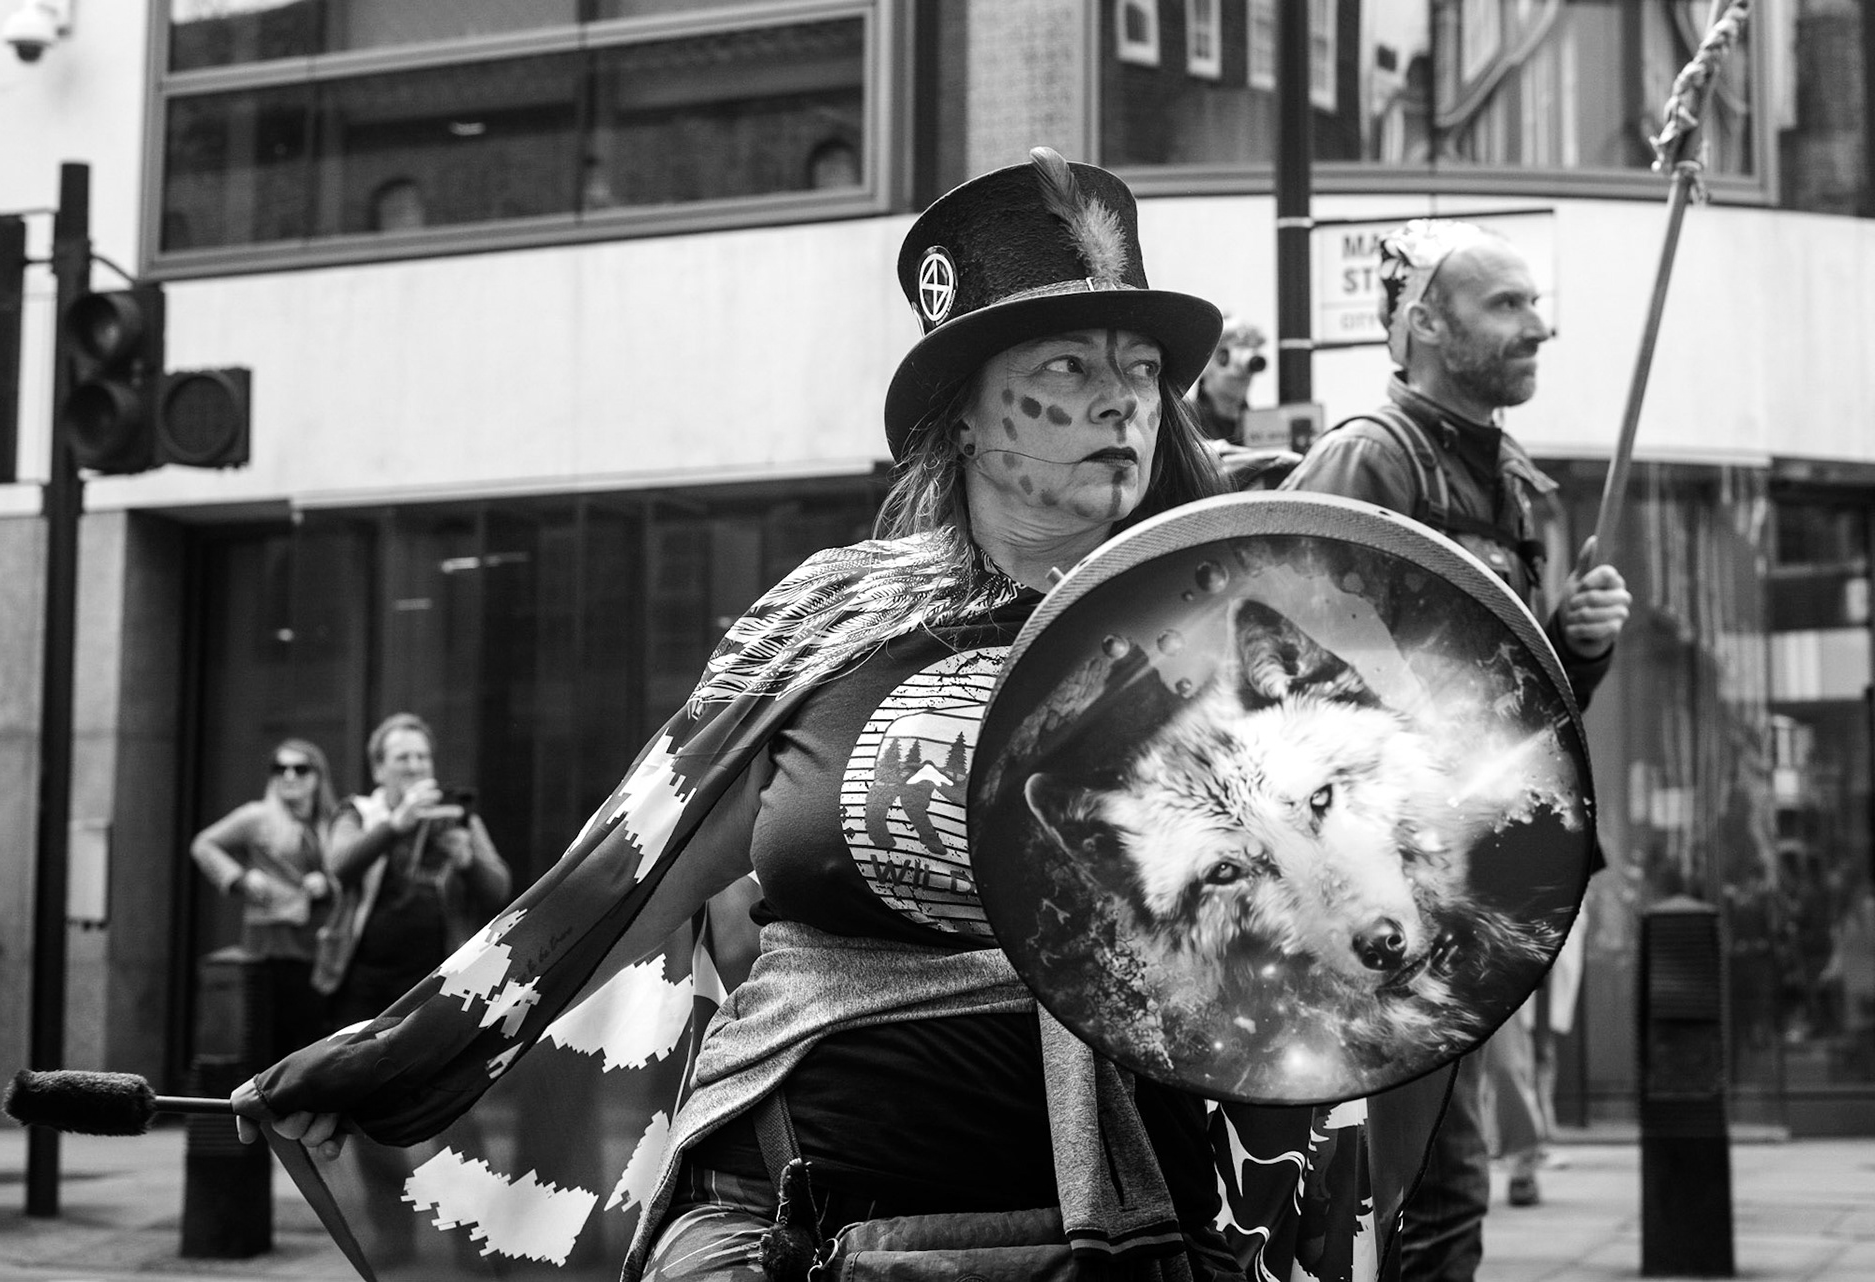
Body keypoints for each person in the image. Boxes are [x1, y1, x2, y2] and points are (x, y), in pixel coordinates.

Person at [236, 150, 1446, 1282]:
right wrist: (396, 1050)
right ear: (964, 415)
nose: (1120, 403)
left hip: (1138, 1238)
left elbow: (1409, 870)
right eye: (1069, 369)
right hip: (788, 1228)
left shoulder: (1235, 618)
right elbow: (615, 882)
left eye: (1138, 371)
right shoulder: (831, 614)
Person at [1281, 217, 1632, 1281]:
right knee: (1410, 1195)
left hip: (1464, 880)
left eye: (1535, 303)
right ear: (1426, 325)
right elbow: (1281, 666)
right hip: (1377, 889)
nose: (1541, 326)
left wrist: (1575, 650)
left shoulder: (1517, 483)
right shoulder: (1368, 457)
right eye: (1509, 306)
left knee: (1438, 1195)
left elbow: (1518, 714)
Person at [314, 712, 510, 1032]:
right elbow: (338, 866)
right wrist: (393, 825)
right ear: (379, 769)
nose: (415, 766)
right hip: (362, 983)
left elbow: (499, 889)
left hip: (436, 982)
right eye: (402, 757)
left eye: (422, 757)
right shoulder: (358, 813)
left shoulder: (454, 816)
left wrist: (465, 860)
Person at [189, 738, 338, 1057]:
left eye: (299, 768)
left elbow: (347, 870)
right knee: (270, 1043)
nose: (289, 776)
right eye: (279, 768)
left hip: (319, 946)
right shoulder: (257, 816)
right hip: (271, 944)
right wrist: (240, 878)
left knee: (314, 1042)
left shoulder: (332, 821)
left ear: (317, 776)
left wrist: (326, 882)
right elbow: (204, 845)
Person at [1190, 315, 1267, 444]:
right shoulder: (1183, 421)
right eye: (1226, 356)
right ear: (1205, 360)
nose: (1241, 372)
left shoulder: (1261, 427)